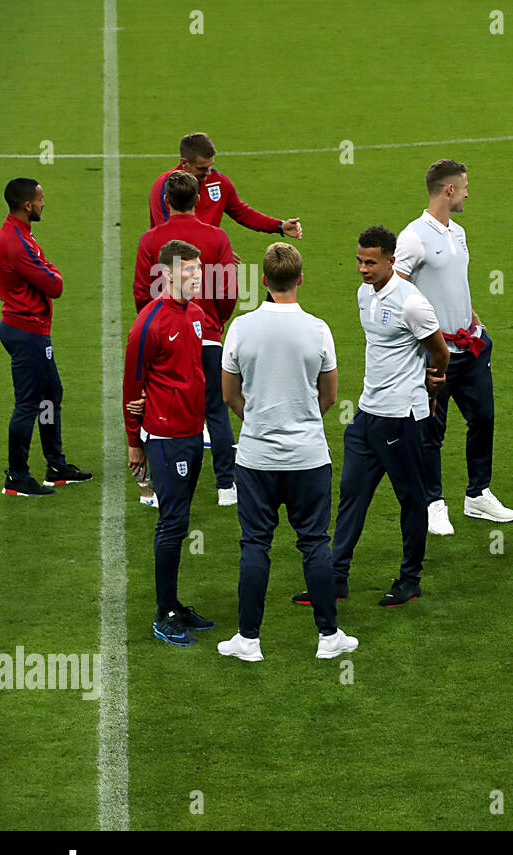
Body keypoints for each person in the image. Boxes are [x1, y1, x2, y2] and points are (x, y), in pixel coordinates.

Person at [291, 226, 449, 609]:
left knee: (411, 500)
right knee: (351, 496)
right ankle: (336, 577)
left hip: (401, 420)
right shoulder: (364, 294)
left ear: (391, 261)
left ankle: (410, 579)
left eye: (371, 262)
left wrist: (431, 386)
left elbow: (440, 353)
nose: (362, 269)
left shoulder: (412, 303)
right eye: (359, 260)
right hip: (366, 416)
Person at [217, 242, 357, 661]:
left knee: (255, 544)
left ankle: (249, 638)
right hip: (309, 457)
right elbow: (328, 396)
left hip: (257, 456)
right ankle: (328, 636)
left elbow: (229, 395)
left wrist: (258, 421)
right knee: (315, 542)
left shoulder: (241, 328)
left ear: (263, 280)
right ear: (300, 278)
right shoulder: (318, 329)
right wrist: (302, 420)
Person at [395, 158, 513, 535]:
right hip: (435, 352)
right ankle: (433, 502)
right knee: (432, 430)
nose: (467, 192)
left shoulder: (457, 233)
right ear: (449, 190)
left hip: (471, 346)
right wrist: (422, 333)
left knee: (484, 419)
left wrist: (471, 314)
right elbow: (395, 289)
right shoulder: (413, 236)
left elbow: (451, 282)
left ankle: (478, 494)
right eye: (464, 186)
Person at [123, 240, 216, 646]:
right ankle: (164, 613)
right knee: (173, 521)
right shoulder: (148, 323)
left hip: (193, 433)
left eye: (199, 269)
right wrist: (133, 441)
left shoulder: (195, 315)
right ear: (167, 274)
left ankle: (174, 603)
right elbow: (132, 385)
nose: (197, 276)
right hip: (165, 436)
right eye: (189, 270)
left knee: (179, 519)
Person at [134, 170, 239, 506]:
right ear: (197, 199)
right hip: (206, 335)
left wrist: (154, 321)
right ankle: (226, 487)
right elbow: (228, 290)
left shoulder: (151, 240)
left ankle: (153, 488)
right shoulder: (217, 237)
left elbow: (140, 292)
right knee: (216, 411)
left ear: (166, 201)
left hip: (161, 337)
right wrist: (216, 321)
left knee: (156, 408)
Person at [0, 178, 91, 496]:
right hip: (26, 332)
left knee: (51, 393)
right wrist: (53, 270)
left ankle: (56, 465)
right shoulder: (18, 243)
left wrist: (49, 269)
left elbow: (48, 275)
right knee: (28, 404)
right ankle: (17, 477)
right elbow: (56, 285)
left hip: (30, 328)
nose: (43, 203)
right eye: (40, 199)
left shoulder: (18, 232)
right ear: (27, 205)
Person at [148, 132, 302, 239]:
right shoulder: (165, 187)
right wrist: (215, 251)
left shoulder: (219, 182)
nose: (208, 173)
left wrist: (280, 226)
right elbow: (169, 236)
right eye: (201, 168)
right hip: (173, 271)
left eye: (210, 166)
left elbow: (242, 212)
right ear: (184, 163)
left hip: (208, 264)